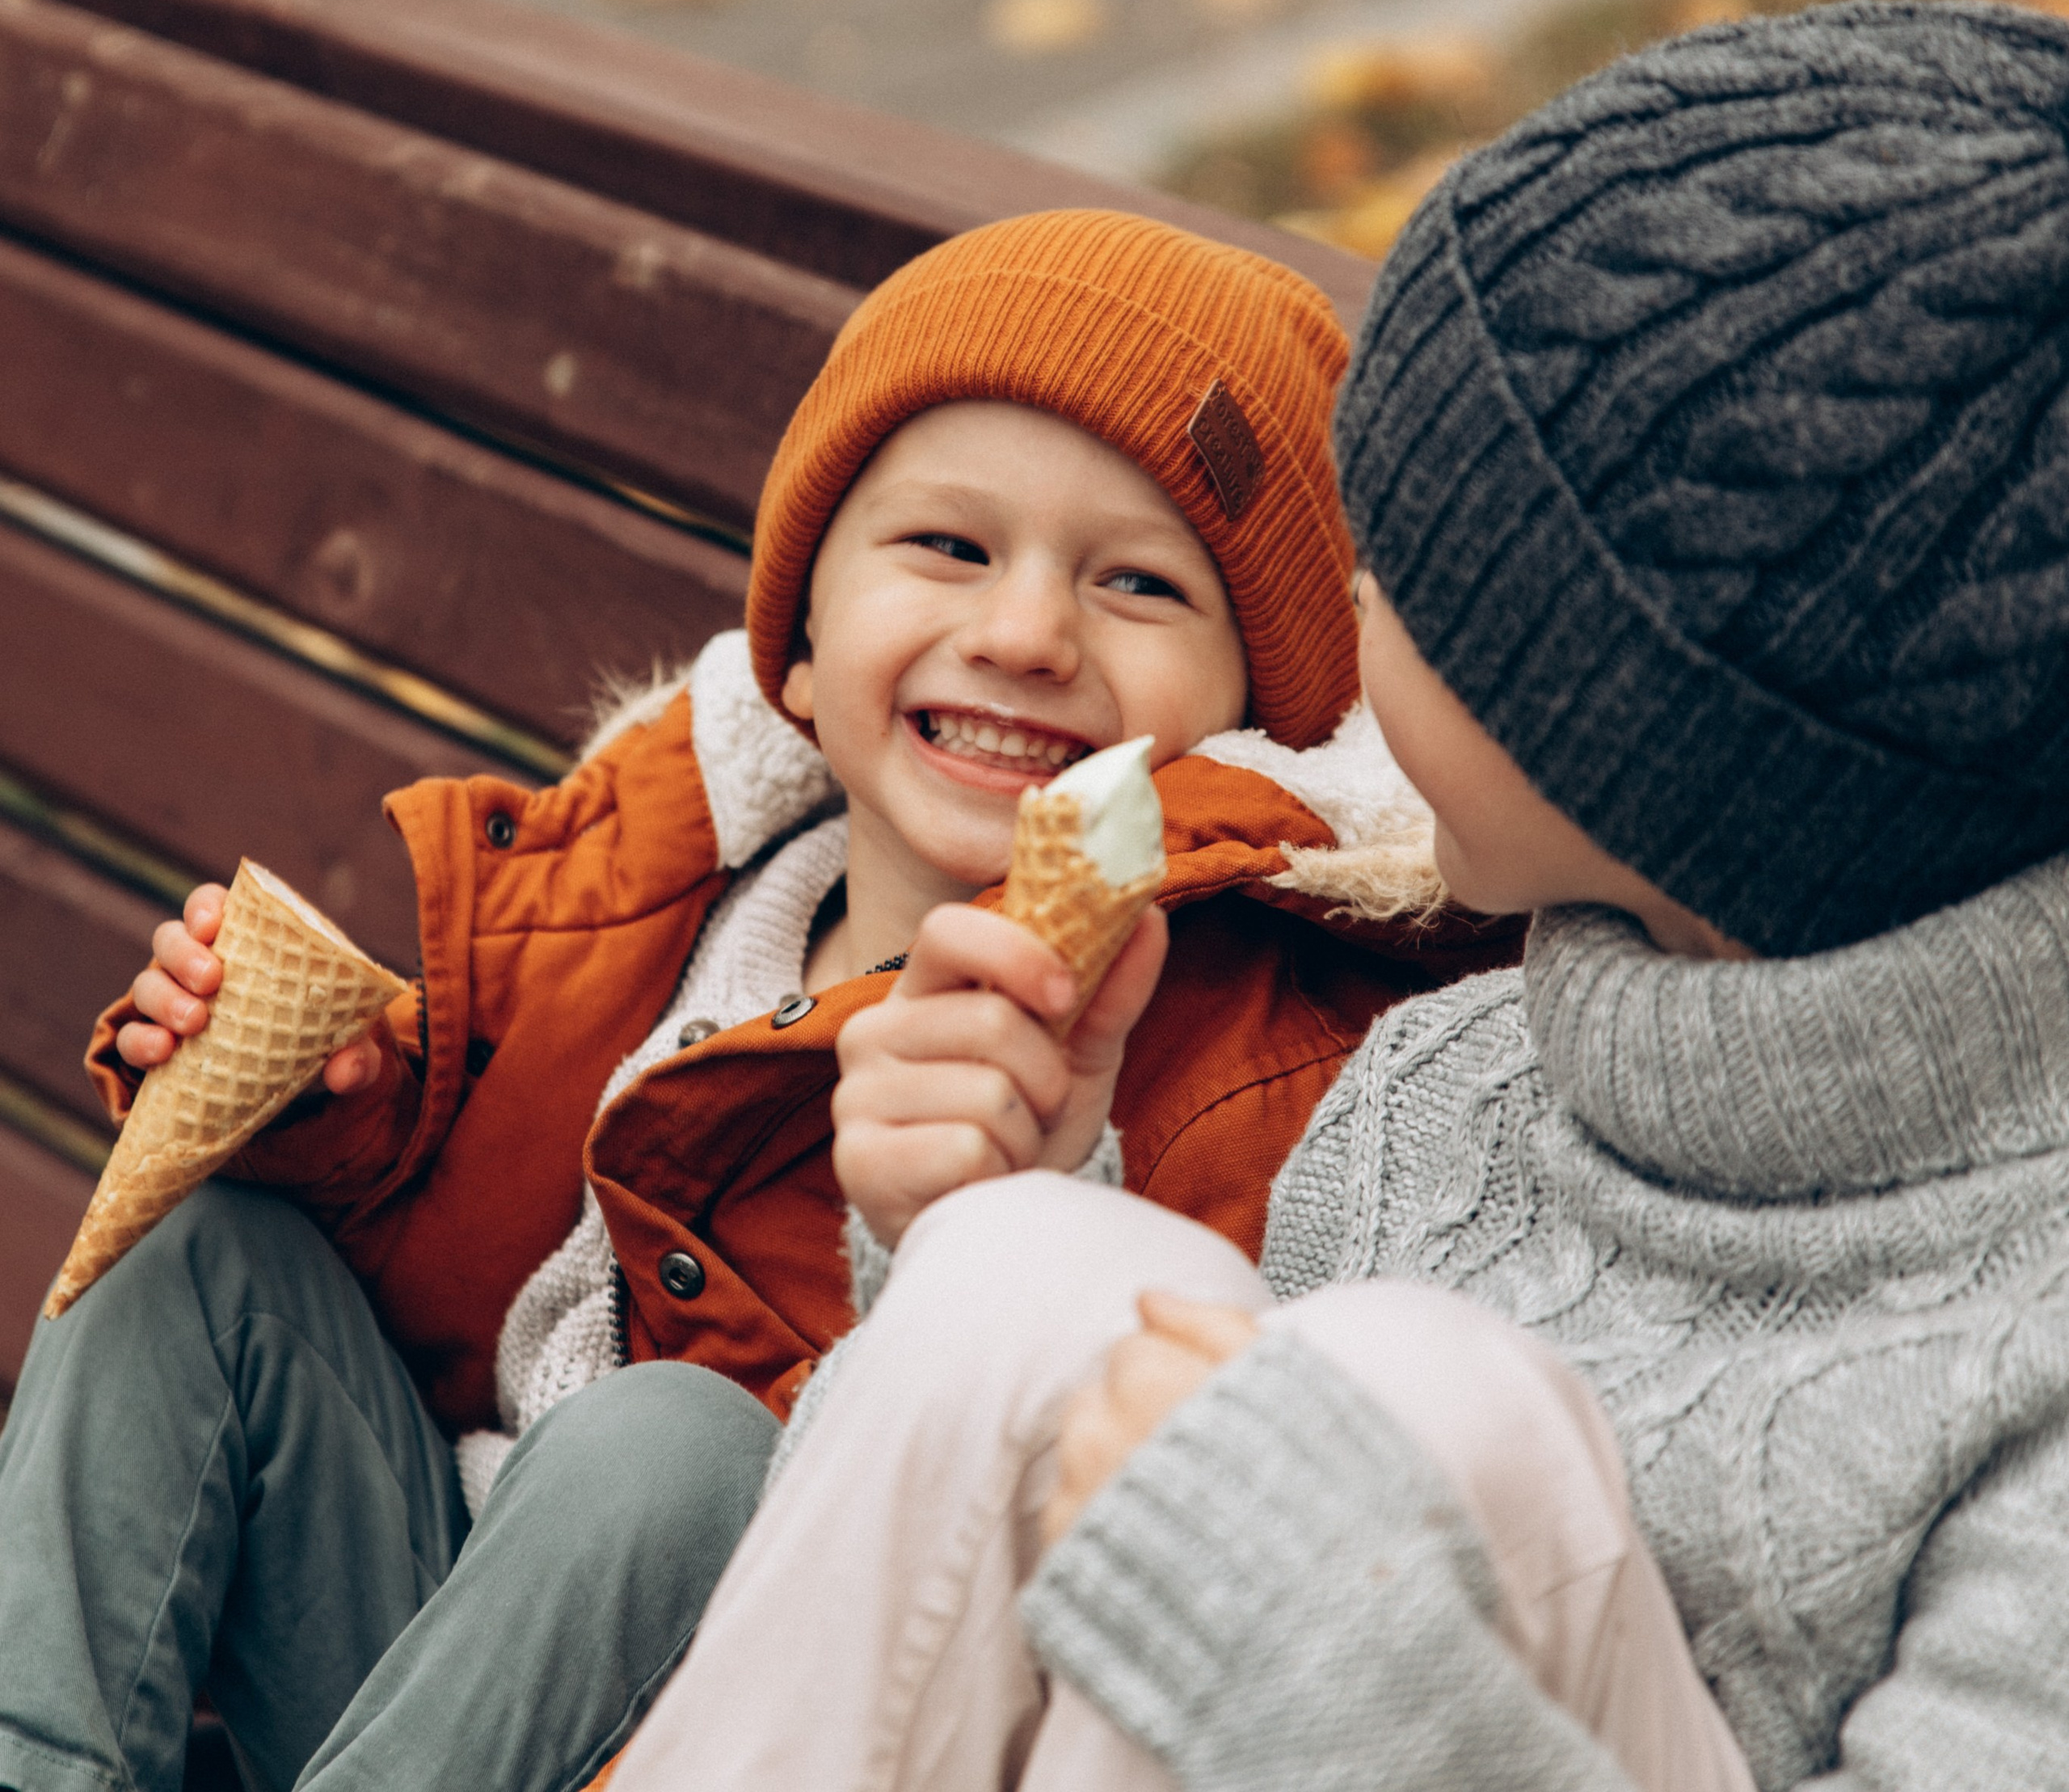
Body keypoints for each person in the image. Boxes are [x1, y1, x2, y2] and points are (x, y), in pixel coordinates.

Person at [617, 0, 2069, 1792]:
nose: (1349, 605)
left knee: (1423, 1400)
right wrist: (968, 1231)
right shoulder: (1447, 1096)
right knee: (1027, 1269)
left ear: (1639, 735)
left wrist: (1358, 1691)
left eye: (1416, 576)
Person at [0, 207, 1511, 1792]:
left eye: (1137, 584)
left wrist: (1028, 1211)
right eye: (946, 546)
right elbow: (447, 1296)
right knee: (203, 1257)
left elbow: (1137, 1535)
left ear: (1245, 725)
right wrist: (328, 1119)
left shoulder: (1237, 1072)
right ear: (796, 645)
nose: (1022, 634)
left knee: (674, 1450)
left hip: (753, 1734)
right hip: (435, 1677)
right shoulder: (642, 901)